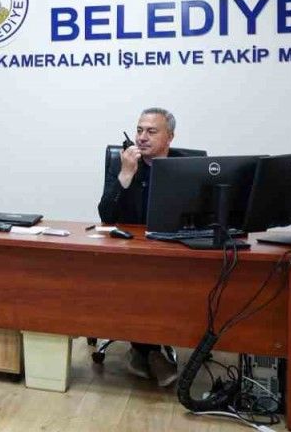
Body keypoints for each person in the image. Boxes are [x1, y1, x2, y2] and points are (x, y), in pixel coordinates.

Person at [98, 107, 185, 387]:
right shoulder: (125, 163)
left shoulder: (185, 166)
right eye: (139, 130)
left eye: (151, 131)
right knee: (140, 279)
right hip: (132, 252)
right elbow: (106, 215)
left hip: (174, 251)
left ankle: (141, 353)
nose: (142, 137)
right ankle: (152, 354)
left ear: (169, 137)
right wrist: (126, 174)